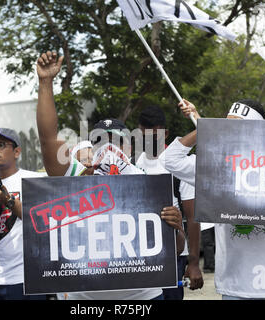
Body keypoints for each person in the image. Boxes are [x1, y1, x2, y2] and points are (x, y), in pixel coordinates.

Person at [37, 50, 185, 300]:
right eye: (100, 141)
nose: (108, 148)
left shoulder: (151, 184)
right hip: (84, 300)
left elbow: (176, 248)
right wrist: (45, 83)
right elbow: (48, 138)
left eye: (116, 141)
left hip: (143, 297)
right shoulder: (75, 176)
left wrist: (176, 226)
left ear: (129, 146)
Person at [164, 98, 265, 300]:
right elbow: (170, 159)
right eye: (226, 124)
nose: (230, 130)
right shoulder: (214, 165)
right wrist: (206, 128)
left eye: (237, 125)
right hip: (235, 288)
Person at [136, 105, 203, 299]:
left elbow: (192, 218)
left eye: (153, 134)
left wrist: (193, 263)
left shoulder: (180, 167)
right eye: (143, 133)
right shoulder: (134, 163)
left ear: (165, 134)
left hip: (174, 257)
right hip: (143, 257)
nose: (148, 139)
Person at [0, 127, 46, 300]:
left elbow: (40, 223)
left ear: (17, 151)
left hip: (27, 280)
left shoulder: (34, 180)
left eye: (1, 145)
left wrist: (7, 200)